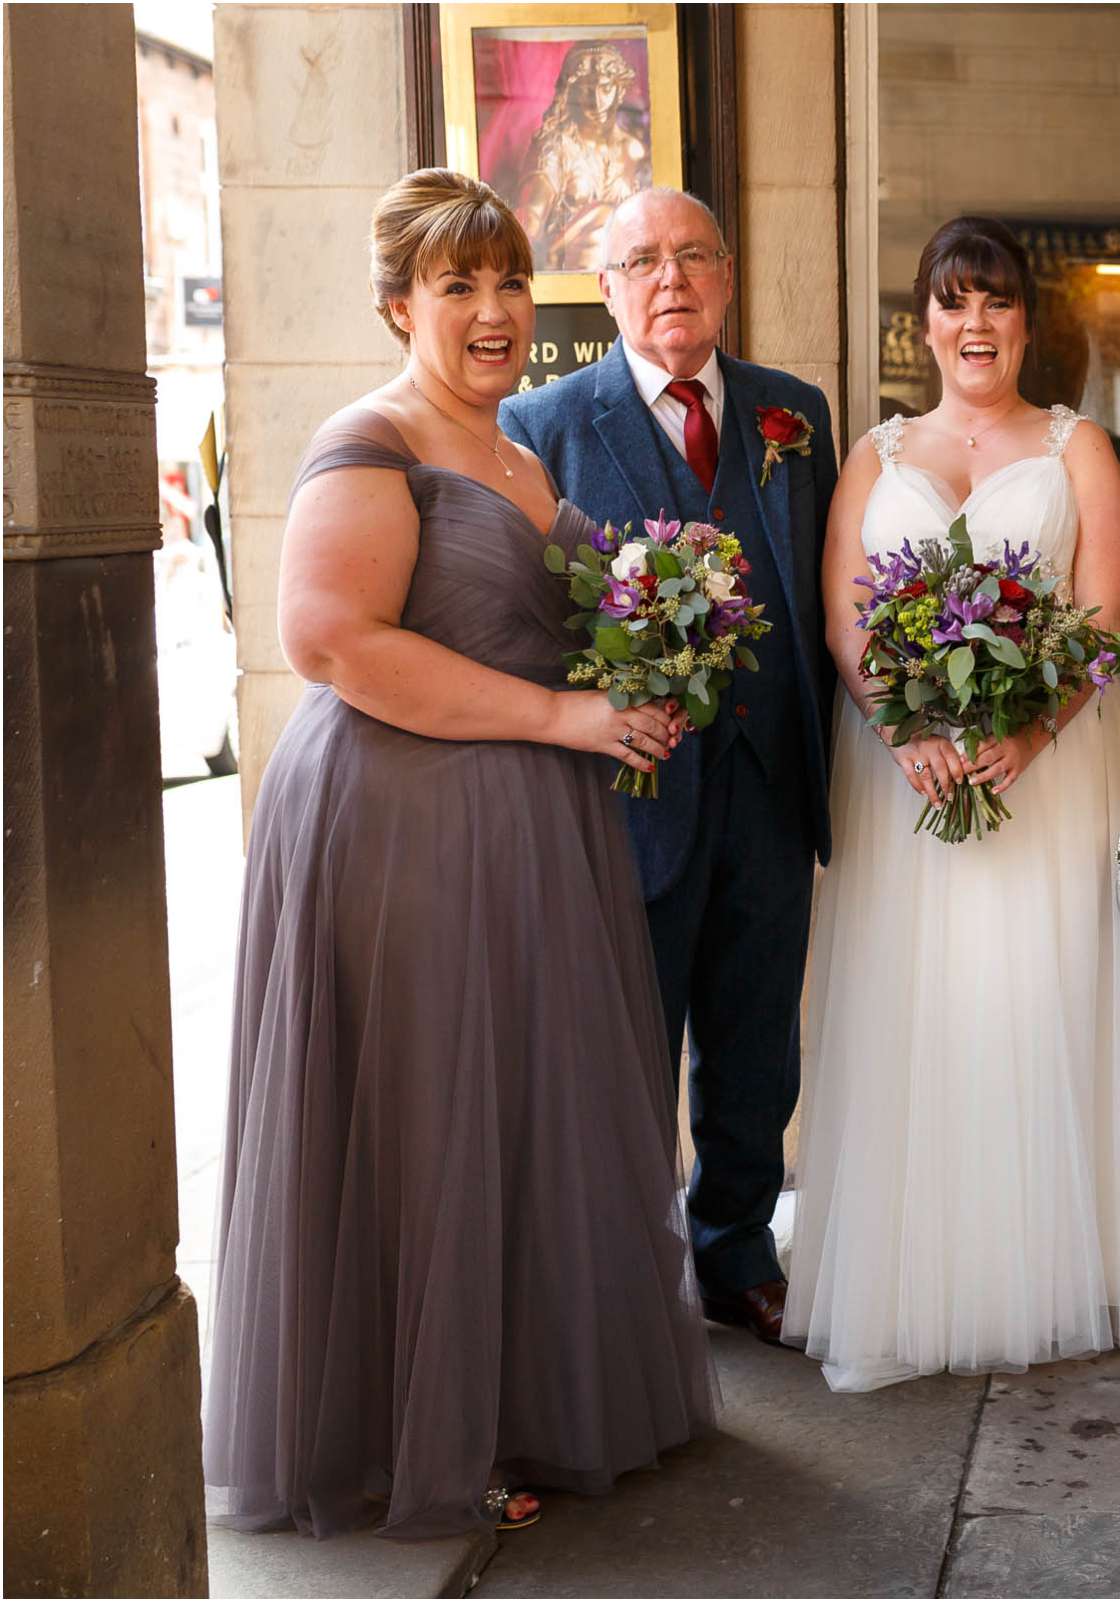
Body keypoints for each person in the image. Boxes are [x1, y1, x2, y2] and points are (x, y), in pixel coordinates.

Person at [204, 168, 714, 1540]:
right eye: (458, 286)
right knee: (427, 1110)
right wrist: (569, 714)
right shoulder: (369, 443)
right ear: (396, 306)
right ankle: (412, 1430)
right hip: (404, 824)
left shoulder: (517, 453)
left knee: (511, 1106)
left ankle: (508, 1400)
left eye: (506, 281)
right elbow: (333, 643)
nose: (494, 311)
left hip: (529, 824)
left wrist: (635, 687)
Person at [784, 216, 1120, 1391]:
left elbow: (1104, 617)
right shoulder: (874, 451)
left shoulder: (1076, 448)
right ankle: (915, 1280)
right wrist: (904, 728)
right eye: (954, 302)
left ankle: (1046, 1269)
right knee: (922, 1011)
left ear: (1026, 322)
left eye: (998, 302)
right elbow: (846, 616)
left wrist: (1028, 728)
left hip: (1039, 779)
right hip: (905, 780)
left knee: (1031, 1001)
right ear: (925, 321)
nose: (976, 324)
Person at [502, 189, 835, 1348]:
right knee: (622, 1047)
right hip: (624, 798)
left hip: (771, 787)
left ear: (730, 276)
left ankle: (737, 1253)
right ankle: (621, 1277)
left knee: (755, 1044)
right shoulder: (543, 423)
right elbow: (523, 615)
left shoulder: (795, 415)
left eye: (693, 256)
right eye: (642, 261)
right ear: (604, 291)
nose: (671, 280)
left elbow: (820, 590)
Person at [514, 40, 650, 274]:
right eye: (586, 88)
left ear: (619, 90)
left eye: (606, 87)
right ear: (570, 91)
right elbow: (532, 212)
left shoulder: (634, 149)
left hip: (627, 279)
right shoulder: (555, 148)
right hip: (570, 275)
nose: (597, 101)